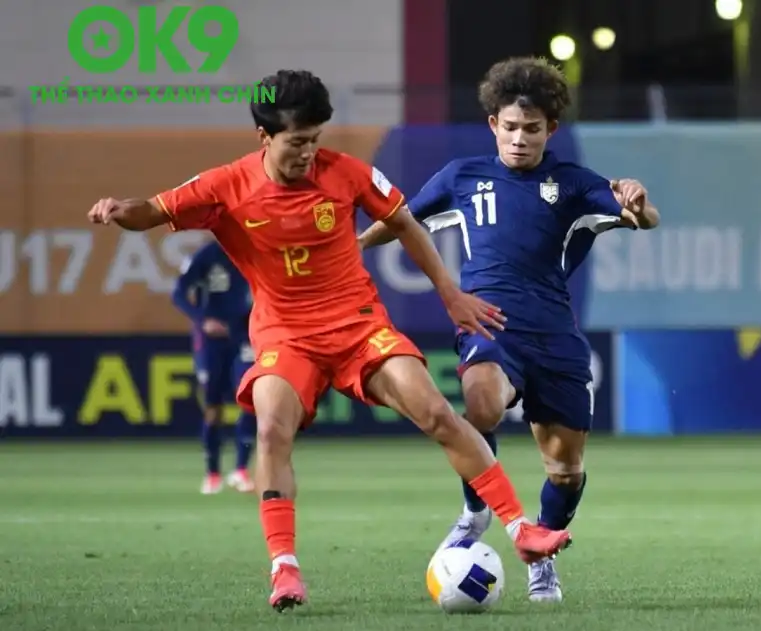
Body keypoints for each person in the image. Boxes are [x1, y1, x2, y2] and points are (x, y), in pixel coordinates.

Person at [87, 69, 574, 614]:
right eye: (297, 142)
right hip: (285, 335)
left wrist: (449, 292)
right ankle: (284, 569)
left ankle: (520, 529)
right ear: (264, 137)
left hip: (359, 327)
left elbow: (406, 223)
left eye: (315, 140)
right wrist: (119, 210)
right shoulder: (227, 185)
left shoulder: (346, 173)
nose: (308, 153)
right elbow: (153, 210)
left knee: (437, 411)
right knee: (271, 429)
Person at [357, 56, 660, 603]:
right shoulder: (461, 177)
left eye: (532, 129)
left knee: (565, 471)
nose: (520, 139)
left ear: (551, 129)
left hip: (556, 339)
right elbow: (399, 219)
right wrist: (346, 248)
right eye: (511, 127)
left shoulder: (573, 184)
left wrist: (637, 200)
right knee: (481, 406)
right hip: (490, 323)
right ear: (493, 124)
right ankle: (476, 512)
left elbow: (643, 218)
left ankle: (542, 560)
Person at [171, 239, 256, 495]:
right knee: (213, 408)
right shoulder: (208, 255)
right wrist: (202, 319)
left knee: (252, 398)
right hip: (212, 341)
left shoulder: (255, 248)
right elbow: (179, 293)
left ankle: (241, 469)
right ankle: (213, 472)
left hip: (245, 336)